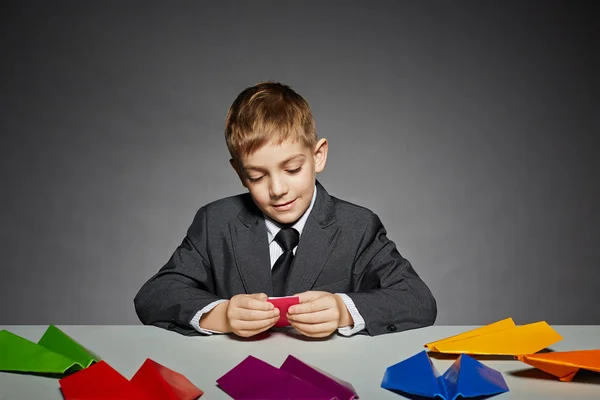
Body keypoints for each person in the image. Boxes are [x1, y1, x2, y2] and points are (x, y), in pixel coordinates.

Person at [134, 82, 436, 338]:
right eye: (257, 176)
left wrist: (344, 310)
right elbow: (155, 294)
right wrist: (222, 315)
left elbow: (418, 300)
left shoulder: (357, 226)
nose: (277, 189)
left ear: (317, 156)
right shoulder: (216, 222)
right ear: (240, 174)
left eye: (292, 169)